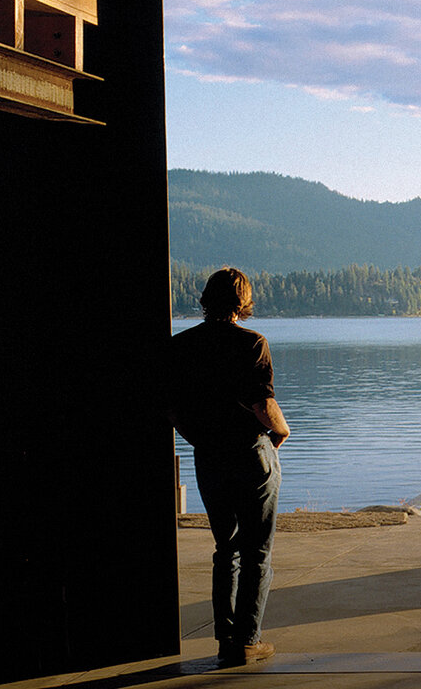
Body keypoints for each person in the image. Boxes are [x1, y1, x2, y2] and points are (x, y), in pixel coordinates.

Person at [169, 267, 290, 667]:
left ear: (206, 299)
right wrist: (282, 431)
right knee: (257, 550)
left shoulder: (180, 346)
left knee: (227, 548)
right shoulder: (252, 343)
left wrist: (198, 438)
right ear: (244, 302)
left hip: (210, 456)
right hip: (251, 454)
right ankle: (248, 641)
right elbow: (262, 404)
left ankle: (225, 639)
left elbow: (173, 409)